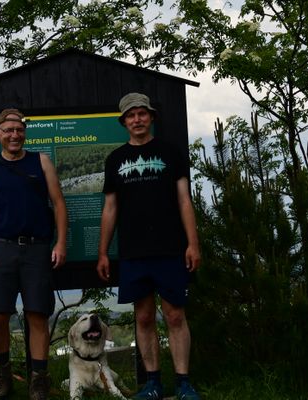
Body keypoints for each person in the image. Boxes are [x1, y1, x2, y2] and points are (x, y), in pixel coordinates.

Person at [97, 93, 202, 400]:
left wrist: (192, 244)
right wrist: (103, 251)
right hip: (133, 251)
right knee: (142, 317)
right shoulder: (115, 159)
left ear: (151, 117)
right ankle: (153, 382)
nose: (137, 120)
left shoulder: (170, 153)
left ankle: (183, 382)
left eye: (142, 114)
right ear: (124, 122)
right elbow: (110, 208)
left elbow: (185, 200)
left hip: (171, 247)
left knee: (174, 315)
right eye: (131, 115)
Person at [0, 108, 67, 400]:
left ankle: (39, 380)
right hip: (1, 249)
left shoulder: (41, 162)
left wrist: (60, 244)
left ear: (24, 133)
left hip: (37, 249)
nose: (14, 135)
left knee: (37, 315)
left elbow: (59, 204)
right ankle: (2, 377)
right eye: (8, 130)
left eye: (19, 130)